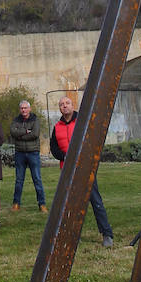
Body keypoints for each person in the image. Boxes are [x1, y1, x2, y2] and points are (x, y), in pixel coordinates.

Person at [49, 94, 114, 246]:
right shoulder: (57, 127)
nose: (64, 106)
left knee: (95, 201)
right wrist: (65, 156)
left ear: (73, 105)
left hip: (86, 168)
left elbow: (92, 141)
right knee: (69, 203)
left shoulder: (83, 122)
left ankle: (107, 234)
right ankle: (70, 235)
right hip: (66, 169)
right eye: (61, 104)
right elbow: (54, 147)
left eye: (67, 103)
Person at [10, 99, 46, 212]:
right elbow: (13, 132)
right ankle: (16, 203)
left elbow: (35, 134)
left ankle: (42, 204)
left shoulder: (35, 119)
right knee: (19, 180)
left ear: (29, 109)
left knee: (37, 179)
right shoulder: (16, 120)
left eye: (25, 108)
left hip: (33, 153)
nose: (23, 110)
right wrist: (26, 131)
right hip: (20, 153)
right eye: (22, 108)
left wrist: (20, 135)